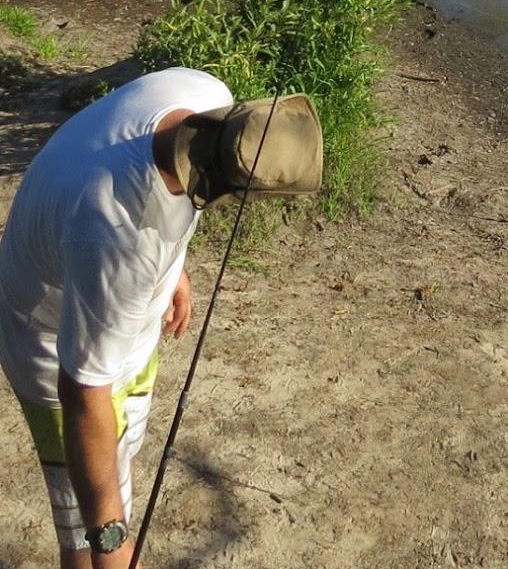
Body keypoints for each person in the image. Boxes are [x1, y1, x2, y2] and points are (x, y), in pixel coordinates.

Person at [0, 67, 323, 568]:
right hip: (51, 347)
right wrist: (109, 534)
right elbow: (82, 390)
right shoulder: (117, 234)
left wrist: (173, 271)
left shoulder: (205, 96)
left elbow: (177, 190)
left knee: (119, 459)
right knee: (88, 539)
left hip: (120, 327)